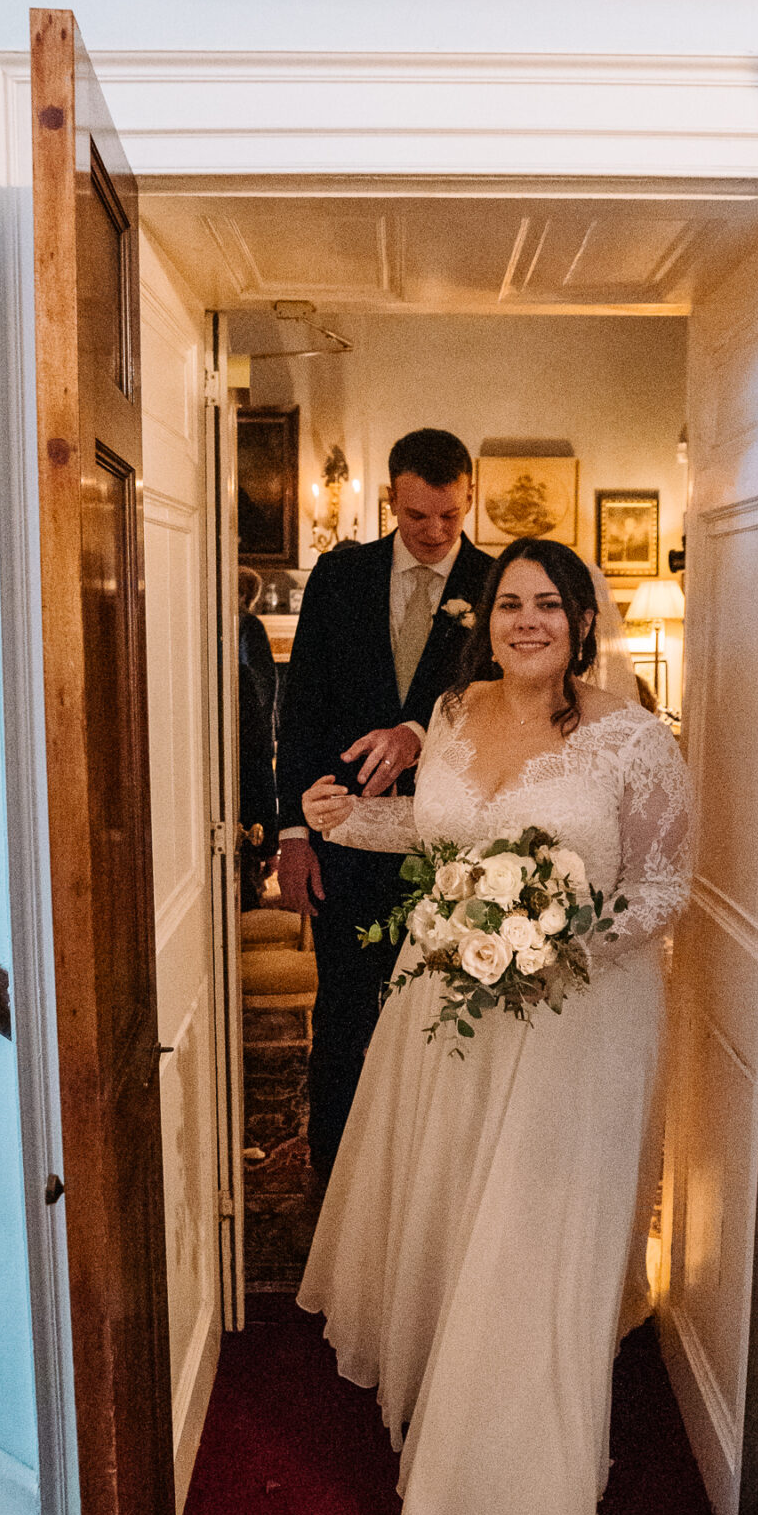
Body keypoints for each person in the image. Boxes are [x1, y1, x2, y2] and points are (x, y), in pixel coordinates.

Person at [296, 538, 694, 1515]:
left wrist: (557, 942)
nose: (528, 621)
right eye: (511, 603)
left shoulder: (630, 738)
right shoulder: (456, 714)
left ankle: (512, 1482)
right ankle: (440, 1396)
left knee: (530, 1236)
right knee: (458, 1208)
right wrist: (350, 821)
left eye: (549, 605)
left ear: (580, 620)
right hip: (445, 1016)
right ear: (487, 618)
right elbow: (444, 842)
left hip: (575, 1021)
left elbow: (665, 886)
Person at [276, 428, 492, 1179]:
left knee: (444, 1017)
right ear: (390, 502)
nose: (434, 534)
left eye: (450, 517)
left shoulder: (498, 587)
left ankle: (429, 1176)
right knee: (342, 1014)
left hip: (457, 854)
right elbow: (298, 707)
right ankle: (335, 1177)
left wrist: (419, 730)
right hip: (344, 837)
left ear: (469, 501)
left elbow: (503, 711)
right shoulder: (340, 578)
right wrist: (294, 832)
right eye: (416, 517)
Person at [237, 566, 281, 909]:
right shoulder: (248, 626)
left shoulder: (243, 626)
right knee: (254, 799)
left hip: (243, 731)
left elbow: (261, 683)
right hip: (250, 732)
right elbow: (264, 685)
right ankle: (252, 880)